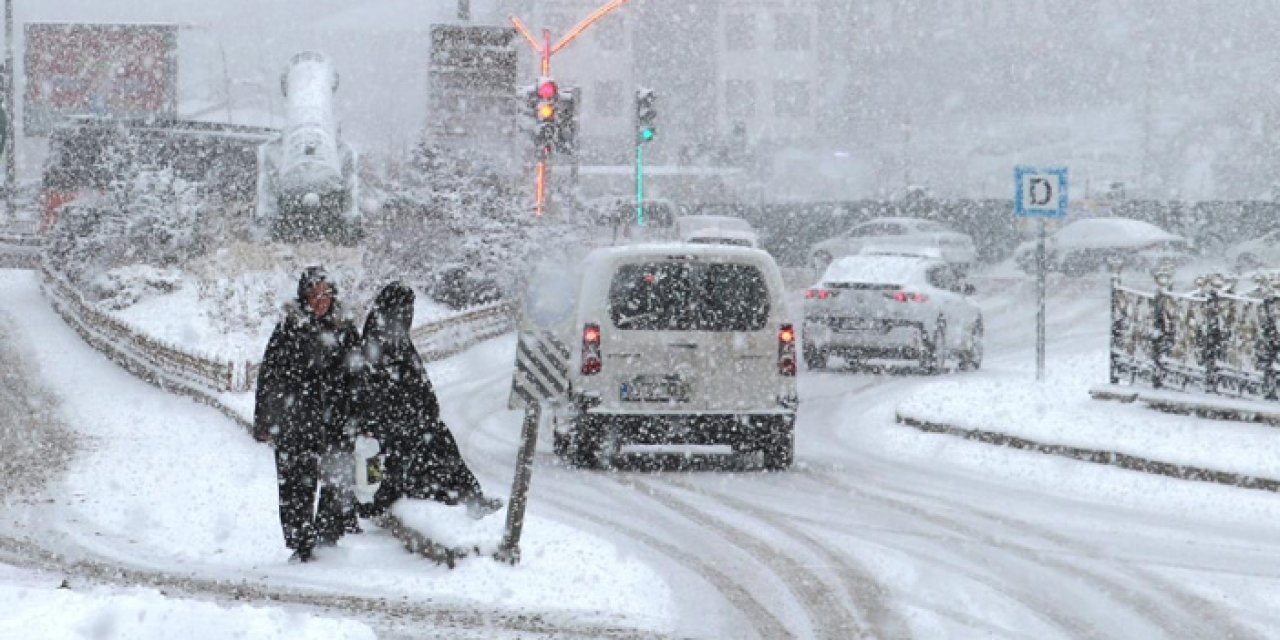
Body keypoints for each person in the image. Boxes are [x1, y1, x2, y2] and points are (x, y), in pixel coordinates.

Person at [348, 281, 502, 520]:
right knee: (403, 463)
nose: (406, 315)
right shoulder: (376, 345)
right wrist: (393, 418)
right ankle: (449, 497)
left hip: (411, 420)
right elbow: (373, 391)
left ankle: (467, 496)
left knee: (441, 448)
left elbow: (416, 383)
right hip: (390, 426)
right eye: (403, 309)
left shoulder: (398, 342)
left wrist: (426, 409)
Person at [253, 266, 362, 563]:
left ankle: (327, 539)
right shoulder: (289, 329)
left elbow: (358, 375)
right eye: (315, 294)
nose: (321, 300)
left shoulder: (344, 329)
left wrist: (360, 413)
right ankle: (302, 543)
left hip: (336, 418)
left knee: (336, 478)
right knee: (295, 484)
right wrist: (265, 421)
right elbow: (270, 376)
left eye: (326, 293)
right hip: (296, 420)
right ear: (304, 296)